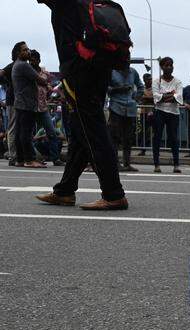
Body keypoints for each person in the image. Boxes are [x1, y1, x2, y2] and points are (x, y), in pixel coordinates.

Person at [35, 0, 129, 210]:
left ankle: (113, 194)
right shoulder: (79, 4)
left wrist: (71, 74)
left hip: (81, 74)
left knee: (93, 132)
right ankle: (65, 191)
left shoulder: (66, 6)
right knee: (81, 133)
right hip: (96, 69)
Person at [12, 42, 49, 168]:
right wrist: (47, 82)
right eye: (25, 50)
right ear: (18, 53)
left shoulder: (17, 65)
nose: (28, 51)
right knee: (26, 133)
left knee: (20, 132)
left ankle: (20, 159)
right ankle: (29, 159)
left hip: (21, 103)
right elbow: (40, 79)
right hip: (27, 104)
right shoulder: (23, 66)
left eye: (27, 49)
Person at [30, 49, 64, 166]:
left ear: (38, 60)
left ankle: (55, 158)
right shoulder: (28, 72)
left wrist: (50, 92)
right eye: (31, 60)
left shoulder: (45, 74)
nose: (32, 62)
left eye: (34, 60)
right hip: (31, 107)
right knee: (29, 133)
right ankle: (31, 158)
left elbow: (52, 87)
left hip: (43, 106)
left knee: (51, 132)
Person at [107, 63, 143, 172]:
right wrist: (118, 89)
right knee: (115, 137)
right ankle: (115, 163)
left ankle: (127, 163)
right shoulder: (111, 72)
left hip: (131, 109)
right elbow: (106, 88)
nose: (126, 61)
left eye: (128, 59)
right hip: (116, 107)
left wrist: (135, 98)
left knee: (128, 138)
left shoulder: (133, 72)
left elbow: (141, 86)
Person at [152, 57, 183, 173]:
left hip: (173, 113)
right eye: (166, 65)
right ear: (162, 67)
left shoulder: (178, 81)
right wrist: (171, 95)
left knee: (174, 138)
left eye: (171, 65)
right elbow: (156, 98)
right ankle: (156, 164)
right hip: (160, 112)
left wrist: (164, 96)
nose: (169, 67)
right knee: (157, 138)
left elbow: (179, 98)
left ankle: (176, 165)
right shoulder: (157, 81)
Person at [0, 43, 21, 166]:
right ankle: (13, 155)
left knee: (16, 128)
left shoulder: (17, 65)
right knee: (13, 128)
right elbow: (1, 73)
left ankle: (16, 154)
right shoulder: (13, 66)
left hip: (15, 100)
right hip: (12, 100)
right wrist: (8, 83)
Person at [137, 73, 154, 156]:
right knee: (143, 132)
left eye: (151, 79)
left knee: (155, 131)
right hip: (144, 112)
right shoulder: (141, 88)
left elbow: (156, 99)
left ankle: (155, 149)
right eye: (148, 79)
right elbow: (139, 99)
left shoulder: (154, 88)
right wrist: (147, 99)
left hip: (153, 112)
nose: (150, 81)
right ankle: (142, 149)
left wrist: (146, 98)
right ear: (144, 80)